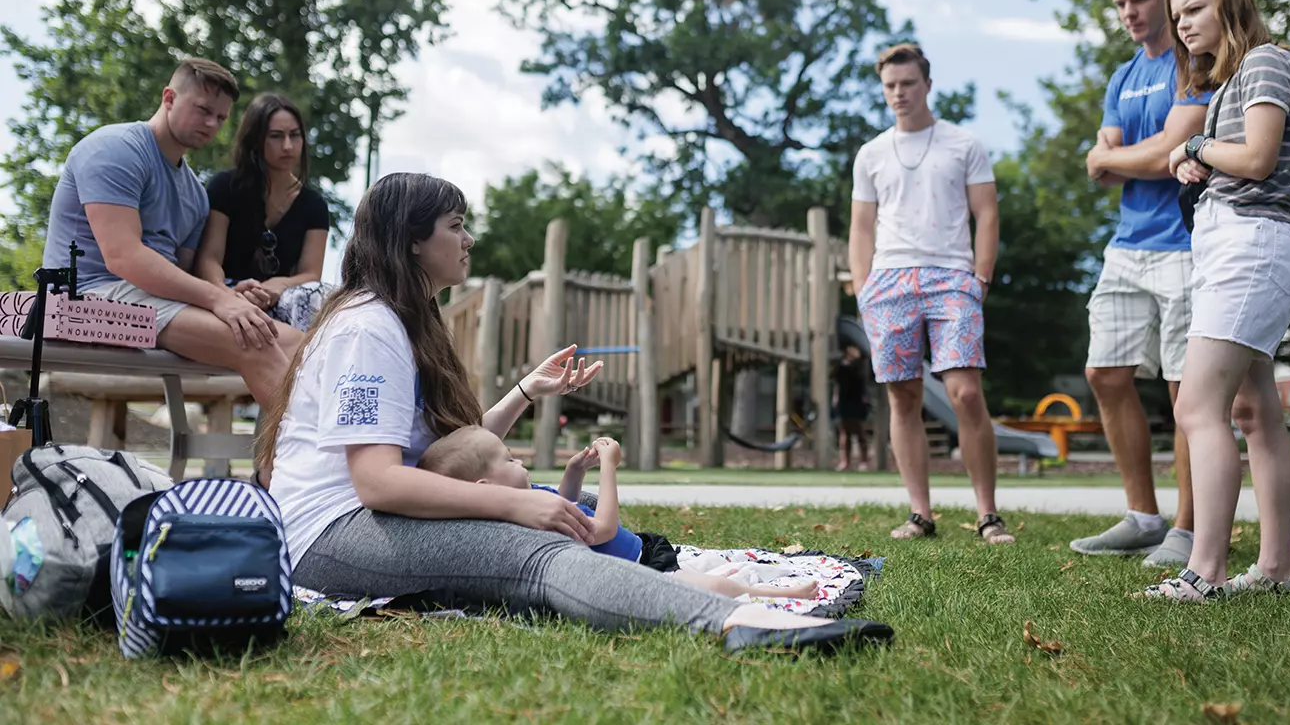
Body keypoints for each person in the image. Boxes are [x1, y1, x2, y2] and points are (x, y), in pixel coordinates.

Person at [266, 172, 891, 652]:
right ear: (412, 242)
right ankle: (736, 623)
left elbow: (450, 456)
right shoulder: (369, 328)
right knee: (533, 553)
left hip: (368, 517)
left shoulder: (402, 321)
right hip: (329, 534)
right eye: (455, 225)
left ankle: (708, 601)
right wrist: (516, 504)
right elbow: (378, 480)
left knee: (553, 528)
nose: (469, 239)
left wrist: (526, 394)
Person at [1143, 0, 1290, 601]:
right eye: (1177, 15)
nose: (1181, 25)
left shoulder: (1267, 61)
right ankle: (1275, 569)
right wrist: (1201, 167)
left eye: (1193, 10)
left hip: (1252, 243)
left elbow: (1259, 158)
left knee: (1197, 407)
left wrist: (1193, 151)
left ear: (1228, 4)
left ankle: (1204, 571)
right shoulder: (1232, 81)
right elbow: (1238, 160)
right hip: (1235, 241)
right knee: (1252, 410)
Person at [42, 58, 304, 436]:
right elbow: (124, 258)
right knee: (252, 340)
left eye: (220, 117)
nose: (212, 124)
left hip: (147, 300)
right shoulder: (114, 149)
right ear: (169, 97)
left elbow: (179, 277)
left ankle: (277, 468)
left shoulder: (195, 194)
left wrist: (228, 292)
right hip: (85, 298)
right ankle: (309, 470)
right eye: (203, 110)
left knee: (298, 343)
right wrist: (218, 300)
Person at [1071, 0, 1211, 567]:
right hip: (1127, 245)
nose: (1129, 11)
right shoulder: (1123, 77)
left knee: (1188, 392)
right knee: (1105, 372)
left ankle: (1186, 527)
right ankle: (1143, 517)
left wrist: (1125, 155)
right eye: (1121, 2)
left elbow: (1162, 155)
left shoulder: (1194, 65)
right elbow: (1106, 164)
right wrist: (1134, 154)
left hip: (1184, 243)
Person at [849, 43, 1014, 545]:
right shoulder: (872, 153)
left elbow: (986, 213)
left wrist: (979, 277)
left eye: (908, 84)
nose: (899, 93)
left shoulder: (963, 144)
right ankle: (920, 513)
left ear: (927, 85)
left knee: (965, 393)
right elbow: (860, 227)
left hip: (952, 278)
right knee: (904, 397)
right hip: (890, 282)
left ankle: (987, 513)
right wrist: (864, 289)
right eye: (890, 86)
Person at [419, 428, 821, 601]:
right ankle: (766, 595)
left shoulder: (525, 497)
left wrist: (574, 471)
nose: (519, 459)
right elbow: (600, 527)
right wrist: (610, 467)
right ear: (486, 489)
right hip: (642, 570)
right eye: (508, 459)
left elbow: (567, 502)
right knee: (709, 592)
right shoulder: (521, 521)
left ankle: (729, 580)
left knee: (702, 578)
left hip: (642, 552)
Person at [196, 93, 333, 332]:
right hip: (225, 291)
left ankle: (303, 365)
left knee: (318, 296)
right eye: (276, 137)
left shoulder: (314, 205)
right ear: (256, 140)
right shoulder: (225, 187)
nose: (288, 146)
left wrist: (281, 284)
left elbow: (311, 274)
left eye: (295, 135)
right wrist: (225, 295)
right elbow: (209, 258)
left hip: (280, 297)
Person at [833, 344, 871, 471]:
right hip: (844, 401)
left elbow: (863, 382)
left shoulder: (861, 365)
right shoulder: (840, 367)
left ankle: (864, 461)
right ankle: (845, 461)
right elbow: (836, 381)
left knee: (860, 431)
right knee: (845, 433)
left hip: (857, 400)